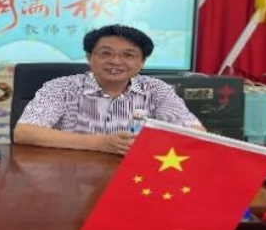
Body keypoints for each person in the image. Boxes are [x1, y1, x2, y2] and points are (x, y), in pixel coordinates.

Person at [13, 25, 204, 155]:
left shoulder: (156, 89)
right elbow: (24, 132)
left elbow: (196, 133)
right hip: (70, 174)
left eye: (128, 55)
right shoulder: (61, 87)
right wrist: (102, 143)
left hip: (136, 177)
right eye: (106, 53)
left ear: (142, 62)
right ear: (89, 57)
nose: (116, 61)